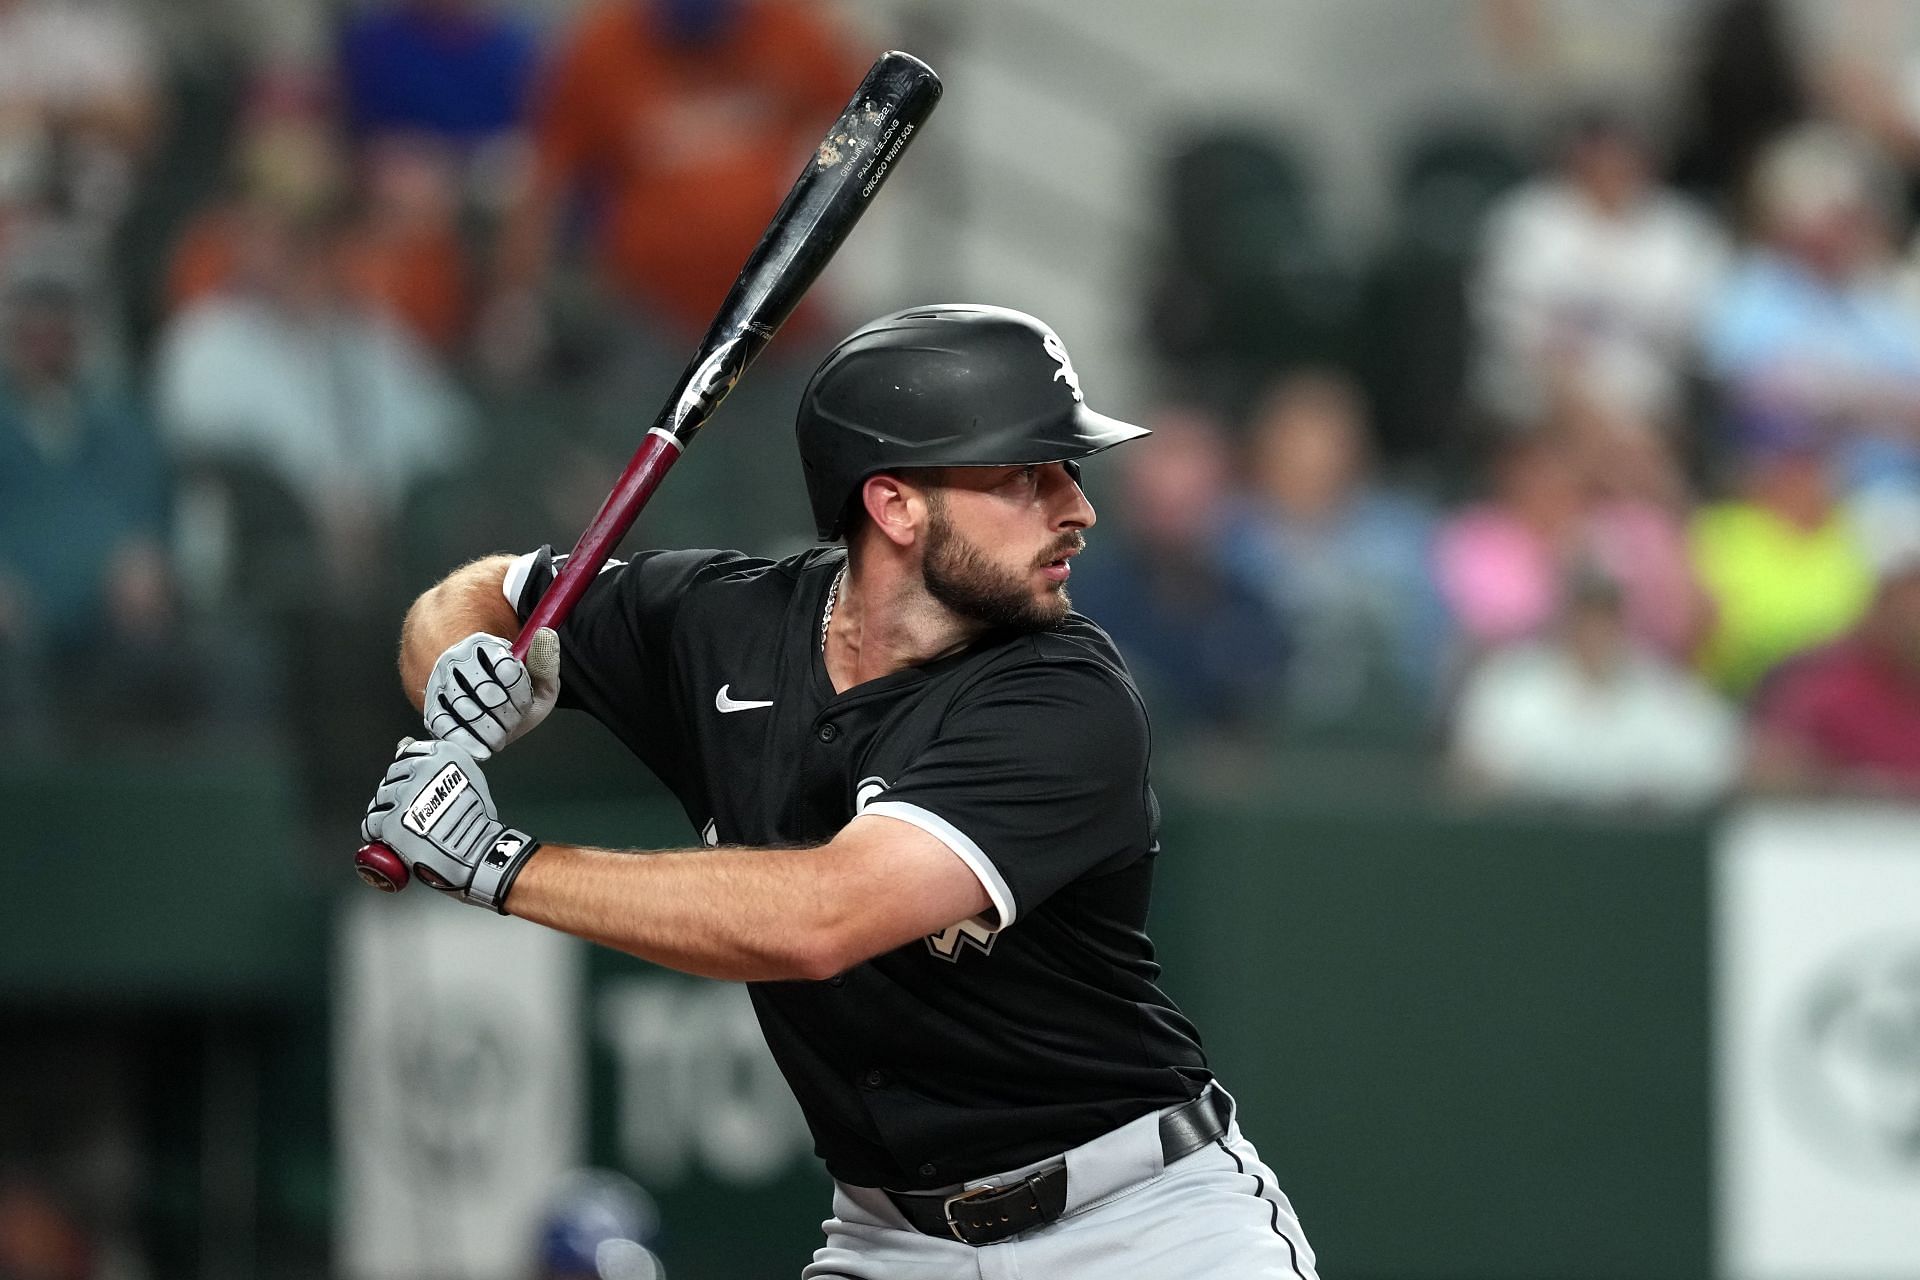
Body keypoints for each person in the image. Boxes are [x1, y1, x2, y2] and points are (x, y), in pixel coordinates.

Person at [358, 305, 1321, 1279]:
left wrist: (497, 862)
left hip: (1137, 1226)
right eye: (1026, 474)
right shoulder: (722, 621)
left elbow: (823, 918)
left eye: (1069, 470)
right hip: (889, 1239)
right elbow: (482, 592)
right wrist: (465, 662)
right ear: (896, 506)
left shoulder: (1066, 693)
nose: (1078, 507)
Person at [1449, 566, 1740, 809]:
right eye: (1585, 612)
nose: (1595, 627)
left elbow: (1718, 761)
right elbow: (1476, 771)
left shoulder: (1662, 690)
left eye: (1605, 614)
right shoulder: (1510, 684)